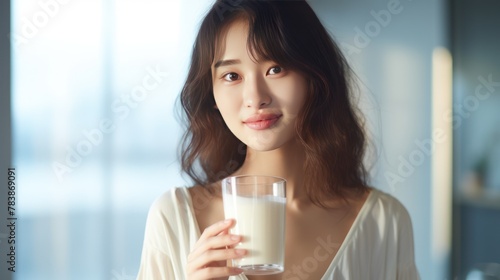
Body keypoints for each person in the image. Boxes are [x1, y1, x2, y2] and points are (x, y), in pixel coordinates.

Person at [137, 0, 420, 279]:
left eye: (276, 69)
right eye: (232, 75)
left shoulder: (384, 223)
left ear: (316, 77)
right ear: (211, 94)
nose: (256, 98)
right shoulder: (173, 218)